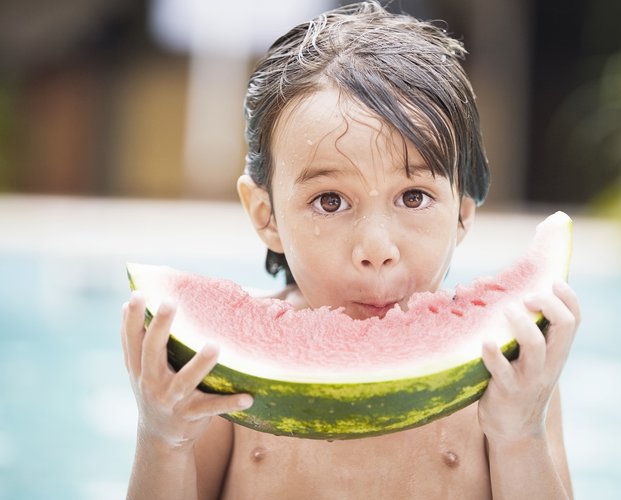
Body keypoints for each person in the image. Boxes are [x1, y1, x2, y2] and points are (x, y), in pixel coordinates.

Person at [120, 2, 581, 499]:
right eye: (331, 201)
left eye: (413, 197)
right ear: (266, 215)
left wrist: (519, 434)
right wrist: (162, 437)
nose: (377, 248)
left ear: (463, 212)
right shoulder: (218, 367)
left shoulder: (510, 372)